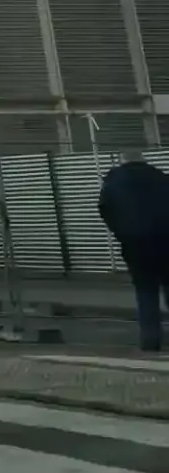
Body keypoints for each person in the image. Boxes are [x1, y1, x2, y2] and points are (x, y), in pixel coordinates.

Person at [97, 150, 169, 353]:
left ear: (123, 161)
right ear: (143, 159)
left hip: (136, 244)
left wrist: (122, 232)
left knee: (146, 290)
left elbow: (104, 208)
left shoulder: (114, 181)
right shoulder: (161, 177)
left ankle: (150, 342)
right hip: (166, 240)